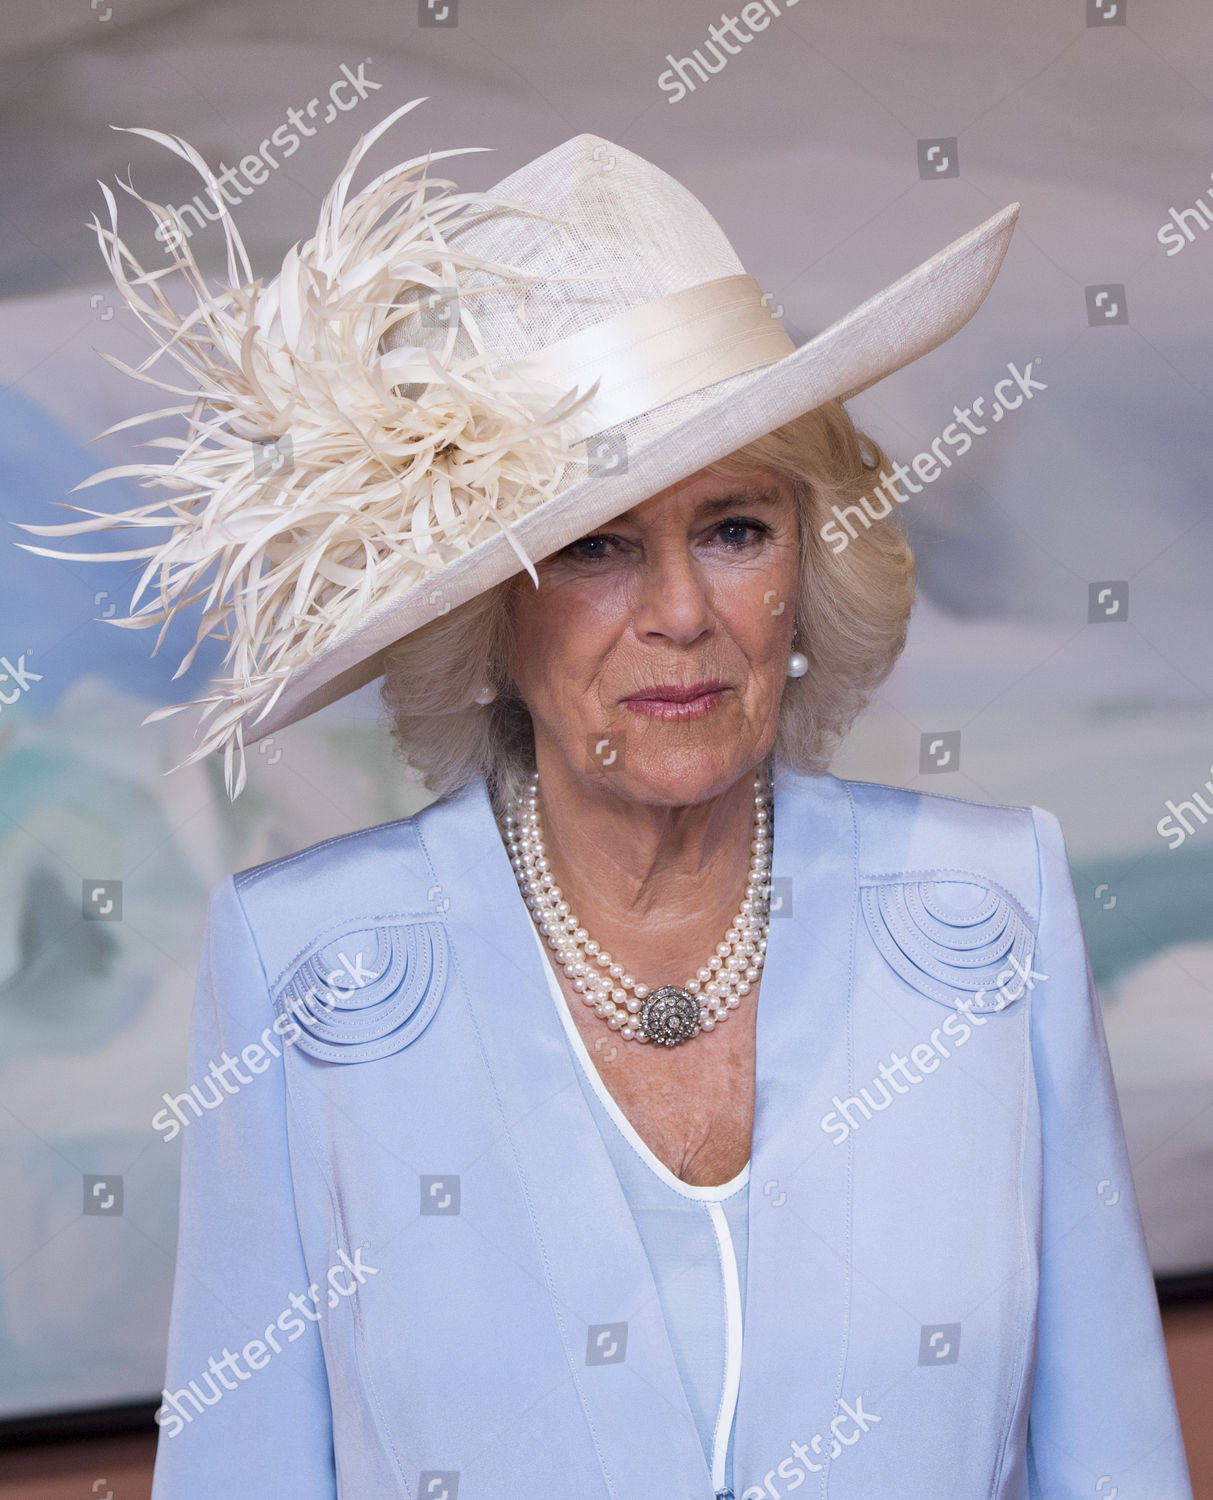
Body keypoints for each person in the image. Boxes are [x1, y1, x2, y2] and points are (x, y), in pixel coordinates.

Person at [23, 101, 1193, 1499]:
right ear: (486, 617)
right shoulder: (305, 960)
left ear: (805, 571)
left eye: (736, 529)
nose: (684, 613)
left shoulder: (992, 911)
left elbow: (1110, 1464)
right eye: (594, 547)